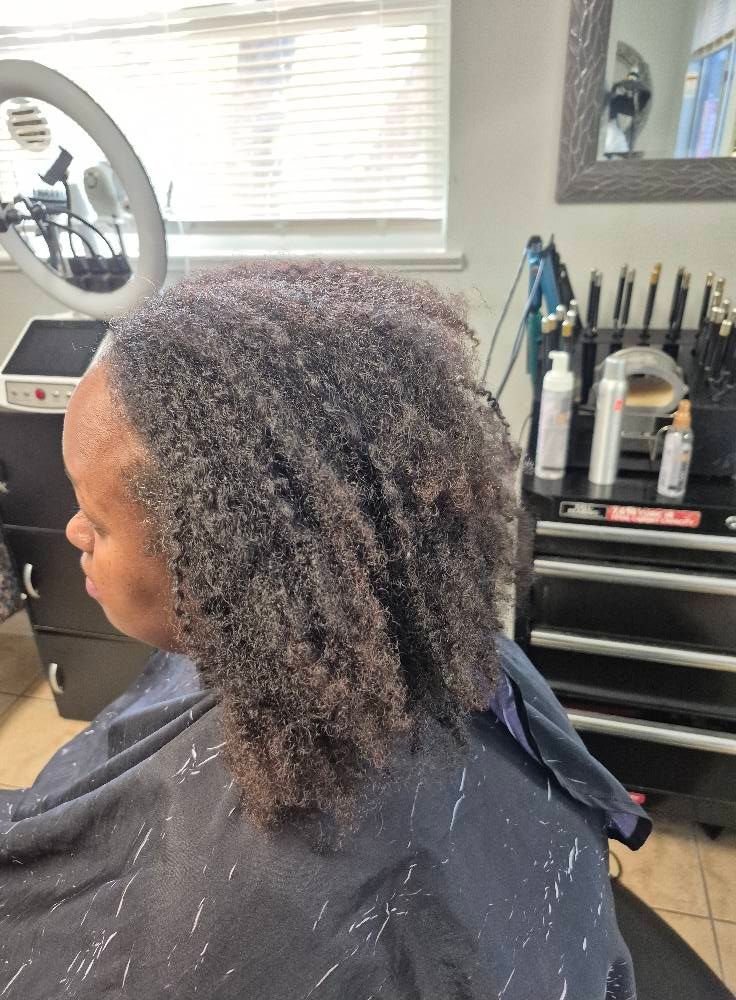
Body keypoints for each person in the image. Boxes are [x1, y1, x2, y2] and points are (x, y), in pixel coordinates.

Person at [0, 261, 649, 999]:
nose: (72, 530)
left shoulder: (264, 882)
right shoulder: (446, 647)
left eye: (99, 516)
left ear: (226, 557)